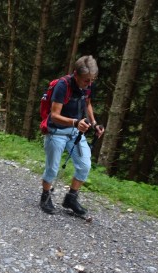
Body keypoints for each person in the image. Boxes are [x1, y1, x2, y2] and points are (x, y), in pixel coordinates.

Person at [39, 55, 104, 215]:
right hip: (57, 132)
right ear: (76, 74)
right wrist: (75, 122)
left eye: (92, 80)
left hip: (75, 132)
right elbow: (54, 115)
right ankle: (45, 197)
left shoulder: (88, 85)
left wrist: (94, 123)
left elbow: (88, 103)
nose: (89, 84)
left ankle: (71, 198)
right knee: (52, 168)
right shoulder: (63, 86)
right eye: (86, 80)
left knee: (84, 165)